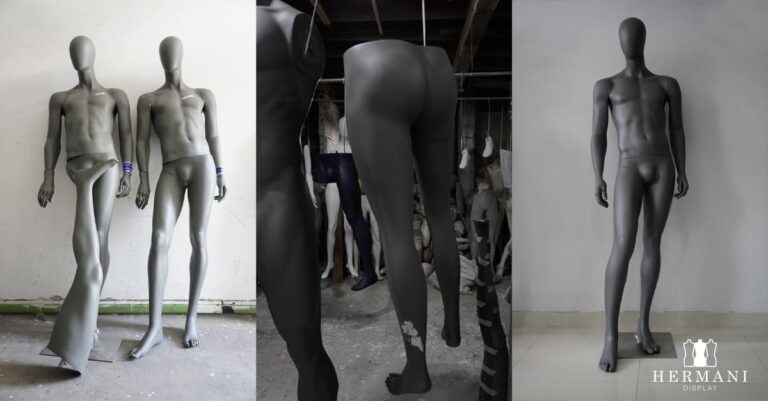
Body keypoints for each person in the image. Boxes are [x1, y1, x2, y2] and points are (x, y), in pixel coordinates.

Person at [591, 17, 688, 372]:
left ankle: (643, 325)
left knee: (652, 242)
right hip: (629, 166)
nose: (630, 42)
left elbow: (677, 128)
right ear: (620, 41)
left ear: (643, 40)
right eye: (625, 37)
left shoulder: (667, 84)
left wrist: (683, 169)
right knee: (622, 245)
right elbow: (597, 134)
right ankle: (610, 336)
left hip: (663, 165)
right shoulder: (606, 86)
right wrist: (598, 175)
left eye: (635, 36)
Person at [38, 36, 133, 373]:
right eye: (73, 52)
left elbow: (126, 135)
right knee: (86, 241)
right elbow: (52, 138)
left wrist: (128, 170)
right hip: (76, 166)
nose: (78, 57)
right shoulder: (61, 98)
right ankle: (83, 317)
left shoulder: (115, 95)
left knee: (100, 235)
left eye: (82, 50)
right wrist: (48, 176)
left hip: (107, 164)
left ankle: (88, 317)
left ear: (93, 53)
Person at [130, 36, 226, 359]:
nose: (169, 57)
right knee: (159, 238)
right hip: (170, 169)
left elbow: (213, 134)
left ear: (182, 55)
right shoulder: (148, 99)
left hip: (202, 166)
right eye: (165, 53)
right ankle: (154, 326)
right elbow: (141, 141)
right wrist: (143, 179)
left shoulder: (203, 95)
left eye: (173, 52)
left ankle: (191, 319)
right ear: (160, 58)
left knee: (199, 237)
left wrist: (221, 170)